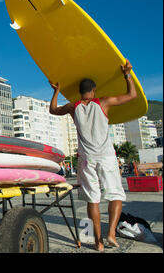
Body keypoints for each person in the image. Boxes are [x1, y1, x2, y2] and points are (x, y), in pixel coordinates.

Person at [48, 59, 137, 251]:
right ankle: (111, 233)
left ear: (80, 92)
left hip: (86, 159)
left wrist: (56, 90)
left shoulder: (74, 107)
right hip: (106, 157)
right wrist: (127, 74)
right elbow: (132, 95)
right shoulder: (104, 102)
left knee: (92, 199)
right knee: (115, 194)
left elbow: (53, 110)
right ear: (94, 90)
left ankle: (98, 242)